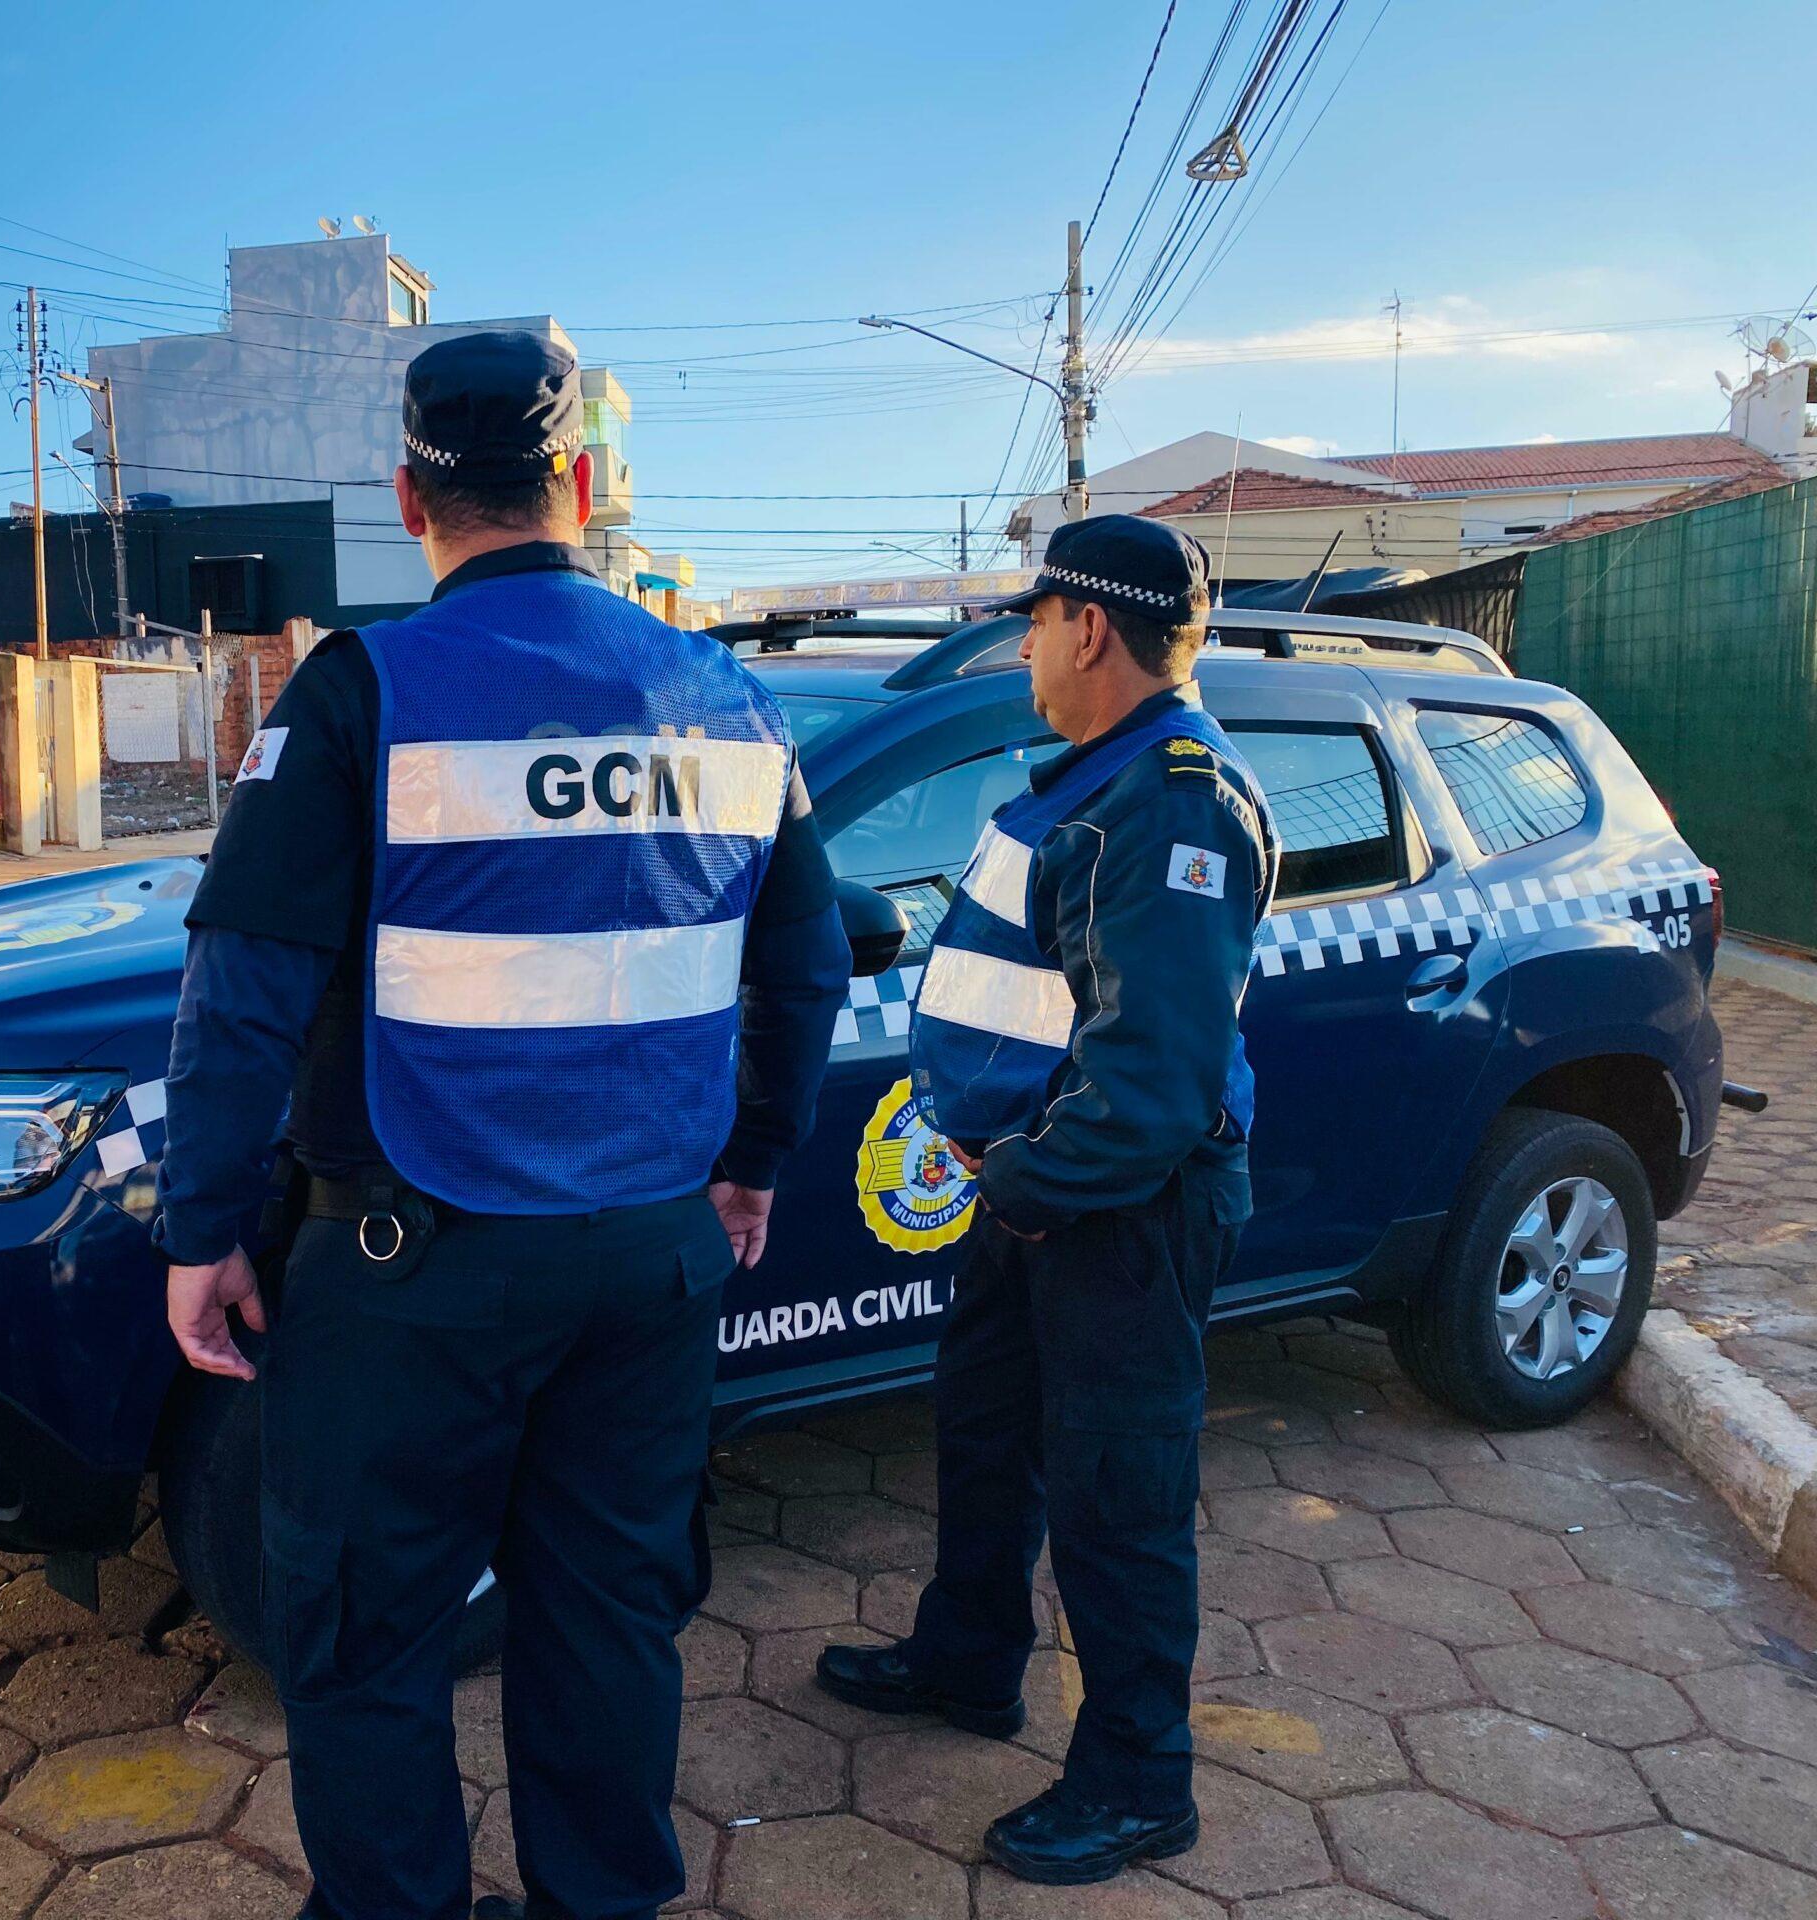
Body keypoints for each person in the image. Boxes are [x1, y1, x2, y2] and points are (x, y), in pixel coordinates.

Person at [157, 331, 852, 1920]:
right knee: (608, 1619)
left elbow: (241, 997)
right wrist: (752, 1159)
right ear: (585, 490)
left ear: (410, 496)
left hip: (412, 1276)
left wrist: (202, 1234)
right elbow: (804, 963)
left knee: (366, 1635)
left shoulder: (363, 690)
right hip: (650, 1263)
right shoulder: (727, 697)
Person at [812, 515, 1277, 1887]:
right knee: (987, 1433)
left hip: (1113, 1207)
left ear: (1089, 626)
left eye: (1034, 620)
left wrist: (1020, 1186)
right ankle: (969, 1662)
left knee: (1116, 1496)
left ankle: (1140, 1782)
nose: (1022, 643)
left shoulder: (1172, 799)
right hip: (1042, 1196)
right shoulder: (1098, 777)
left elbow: (1155, 1082)